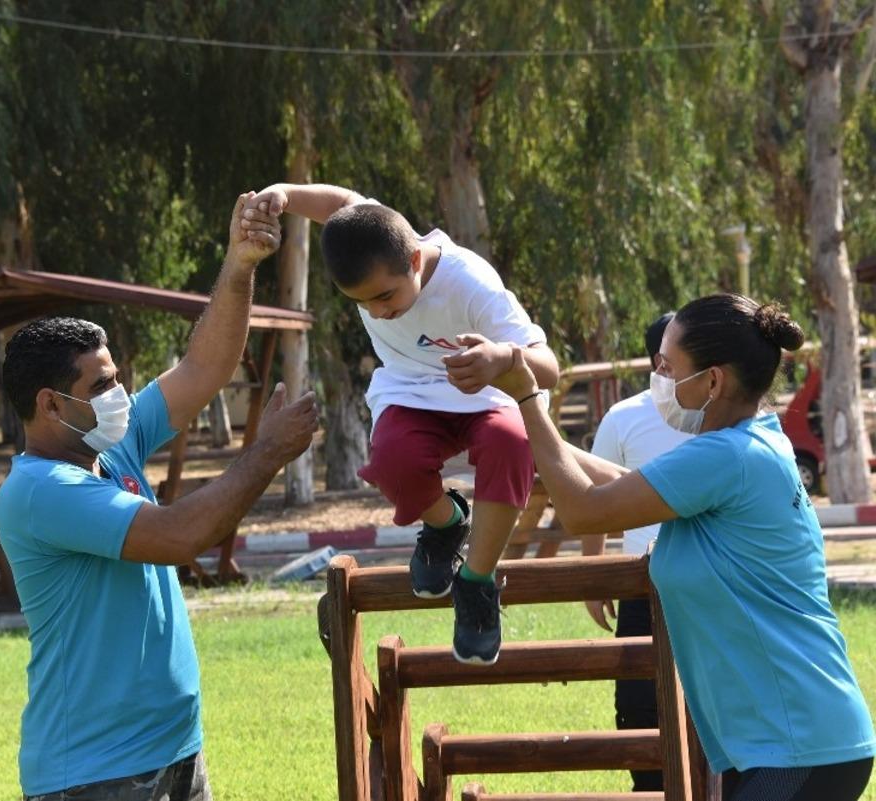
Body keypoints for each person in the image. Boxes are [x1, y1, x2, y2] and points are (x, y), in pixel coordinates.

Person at [0, 194, 318, 801]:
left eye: (117, 377)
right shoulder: (40, 491)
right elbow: (177, 537)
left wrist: (240, 263)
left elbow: (204, 367)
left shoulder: (104, 450)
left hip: (173, 752)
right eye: (104, 384)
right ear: (51, 404)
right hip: (96, 776)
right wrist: (267, 453)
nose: (120, 393)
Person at [491, 293, 874, 801]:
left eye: (668, 368)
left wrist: (527, 401)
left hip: (798, 741)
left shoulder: (726, 455)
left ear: (713, 380)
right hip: (788, 740)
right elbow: (628, 483)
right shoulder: (753, 442)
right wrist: (542, 438)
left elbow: (584, 510)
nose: (659, 381)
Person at [245, 183, 558, 664]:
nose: (379, 311)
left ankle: (476, 585)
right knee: (392, 461)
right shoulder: (372, 234)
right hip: (411, 391)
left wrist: (501, 358)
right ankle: (448, 522)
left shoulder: (471, 281)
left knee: (510, 441)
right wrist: (285, 193)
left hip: (486, 387)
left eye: (386, 296)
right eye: (362, 302)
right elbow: (340, 205)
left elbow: (550, 367)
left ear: (414, 260)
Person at [582, 310, 690, 792]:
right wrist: (594, 577)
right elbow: (593, 500)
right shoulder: (624, 416)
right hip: (639, 584)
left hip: (704, 581)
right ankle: (649, 787)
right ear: (659, 361)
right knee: (638, 700)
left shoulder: (721, 415)